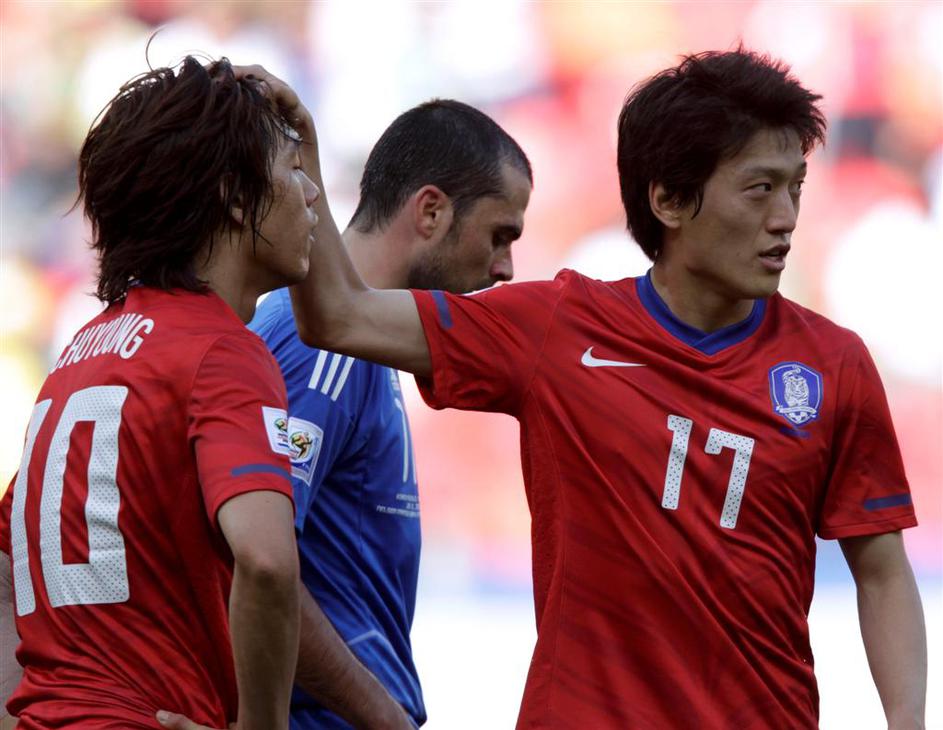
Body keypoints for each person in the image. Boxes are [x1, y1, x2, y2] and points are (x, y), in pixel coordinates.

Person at [270, 47, 928, 728]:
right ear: (668, 200)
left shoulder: (834, 365)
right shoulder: (557, 328)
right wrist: (304, 162)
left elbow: (882, 572)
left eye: (796, 187)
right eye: (760, 188)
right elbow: (337, 315)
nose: (786, 217)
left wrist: (907, 722)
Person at [0, 57, 319, 728]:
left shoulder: (77, 357)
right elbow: (267, 562)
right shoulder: (221, 351)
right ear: (235, 196)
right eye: (294, 168)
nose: (312, 193)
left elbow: (6, 567)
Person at [245, 99, 531, 730]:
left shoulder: (361, 348)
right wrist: (385, 718)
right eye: (499, 235)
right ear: (431, 212)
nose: (506, 268)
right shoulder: (317, 347)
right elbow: (253, 563)